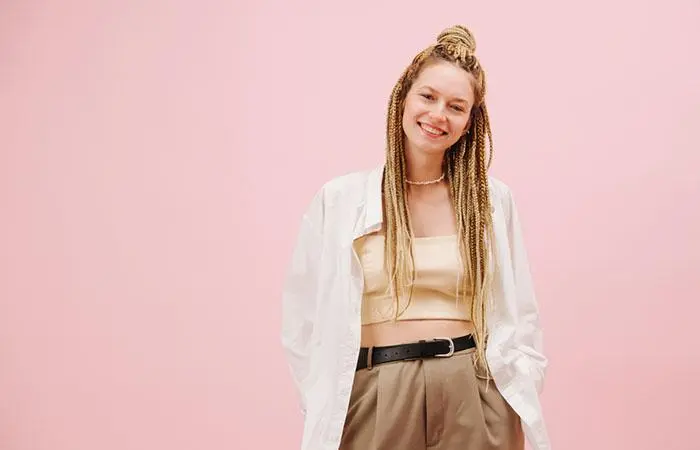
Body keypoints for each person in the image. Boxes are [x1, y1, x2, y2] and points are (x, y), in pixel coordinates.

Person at [281, 24, 551, 450]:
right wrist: (325, 400)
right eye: (428, 96)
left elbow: (522, 312)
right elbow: (301, 320)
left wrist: (515, 391)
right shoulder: (339, 200)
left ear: (469, 123)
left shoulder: (491, 201)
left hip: (475, 390)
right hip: (376, 393)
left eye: (456, 106)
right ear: (403, 97)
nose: (438, 115)